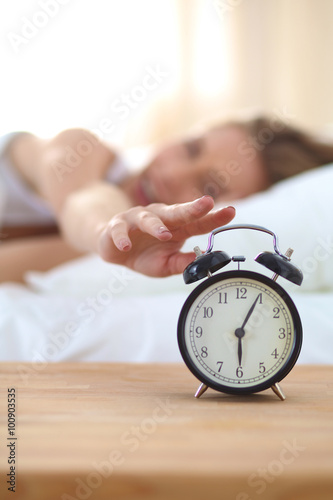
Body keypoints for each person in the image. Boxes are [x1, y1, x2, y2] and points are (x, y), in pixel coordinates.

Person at [1, 116, 332, 283]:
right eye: (190, 148)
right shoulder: (79, 150)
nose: (172, 174)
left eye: (209, 188)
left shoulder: (122, 252)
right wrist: (110, 226)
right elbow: (84, 200)